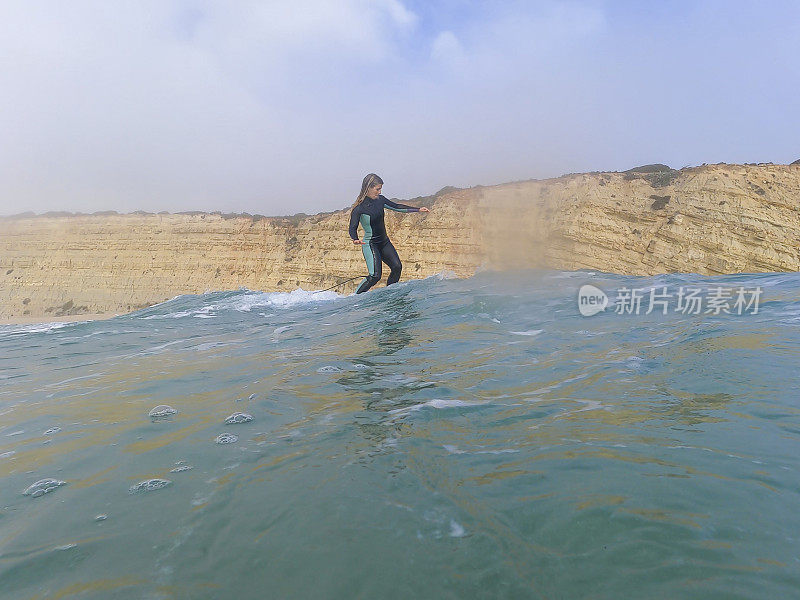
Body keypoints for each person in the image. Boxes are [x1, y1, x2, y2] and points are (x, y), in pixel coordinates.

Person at [349, 173, 430, 294]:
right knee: (375, 276)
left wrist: (417, 209)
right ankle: (354, 297)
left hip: (384, 242)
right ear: (368, 188)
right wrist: (354, 238)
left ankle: (390, 295)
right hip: (371, 244)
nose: (380, 192)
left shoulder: (380, 200)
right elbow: (352, 227)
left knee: (397, 267)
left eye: (380, 189)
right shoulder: (359, 209)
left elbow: (396, 206)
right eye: (377, 189)